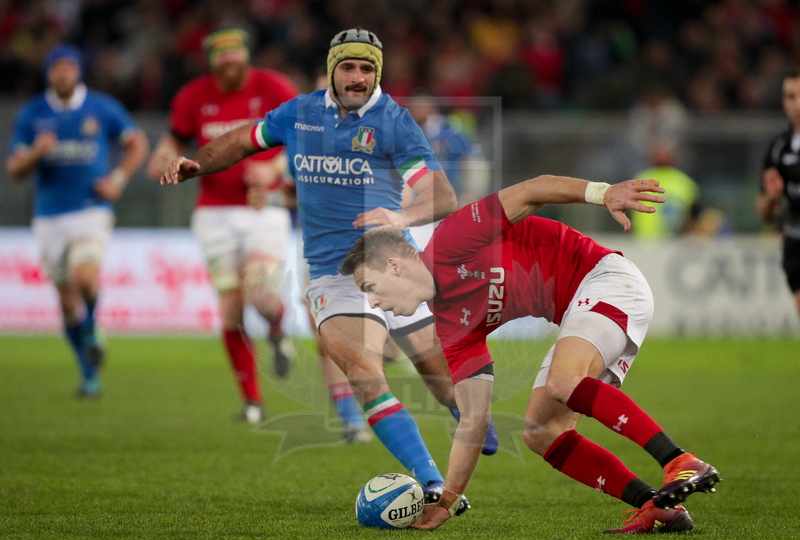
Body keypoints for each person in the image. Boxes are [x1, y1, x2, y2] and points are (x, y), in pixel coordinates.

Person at [160, 28, 501, 513]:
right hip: (330, 272)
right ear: (332, 69)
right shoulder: (299, 113)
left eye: (367, 68)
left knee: (437, 374)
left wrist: (401, 217)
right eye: (348, 67)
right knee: (365, 374)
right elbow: (243, 140)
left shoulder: (393, 121)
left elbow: (442, 195)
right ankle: (432, 483)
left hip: (392, 265)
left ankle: (465, 411)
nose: (357, 77)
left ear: (377, 73)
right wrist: (199, 164)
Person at [341, 176, 722, 534]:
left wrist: (602, 193)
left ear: (394, 265)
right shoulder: (450, 326)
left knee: (563, 381)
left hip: (605, 279)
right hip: (580, 310)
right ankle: (658, 506)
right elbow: (474, 420)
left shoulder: (451, 239)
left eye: (370, 287)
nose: (373, 302)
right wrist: (448, 499)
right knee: (541, 431)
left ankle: (680, 461)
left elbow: (533, 190)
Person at [146, 29, 298, 423]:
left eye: (235, 53)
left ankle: (277, 330)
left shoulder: (274, 87)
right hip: (213, 214)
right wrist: (164, 158)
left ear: (247, 54)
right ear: (210, 59)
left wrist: (274, 168)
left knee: (261, 296)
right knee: (230, 310)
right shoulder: (193, 96)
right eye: (221, 55)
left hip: (265, 210)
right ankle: (252, 402)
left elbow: (304, 138)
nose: (229, 60)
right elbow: (173, 141)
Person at [6, 45, 148, 398]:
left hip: (91, 209)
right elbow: (14, 169)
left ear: (79, 71)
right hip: (49, 215)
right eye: (57, 67)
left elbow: (137, 143)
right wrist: (35, 153)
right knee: (67, 303)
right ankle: (89, 375)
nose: (63, 72)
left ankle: (92, 327)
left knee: (84, 277)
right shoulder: (33, 113)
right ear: (48, 73)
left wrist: (118, 179)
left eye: (69, 66)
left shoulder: (101, 107)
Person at [758, 68, 800, 319]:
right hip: (796, 239)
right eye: (791, 97)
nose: (798, 104)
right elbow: (766, 214)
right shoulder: (778, 149)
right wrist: (772, 196)